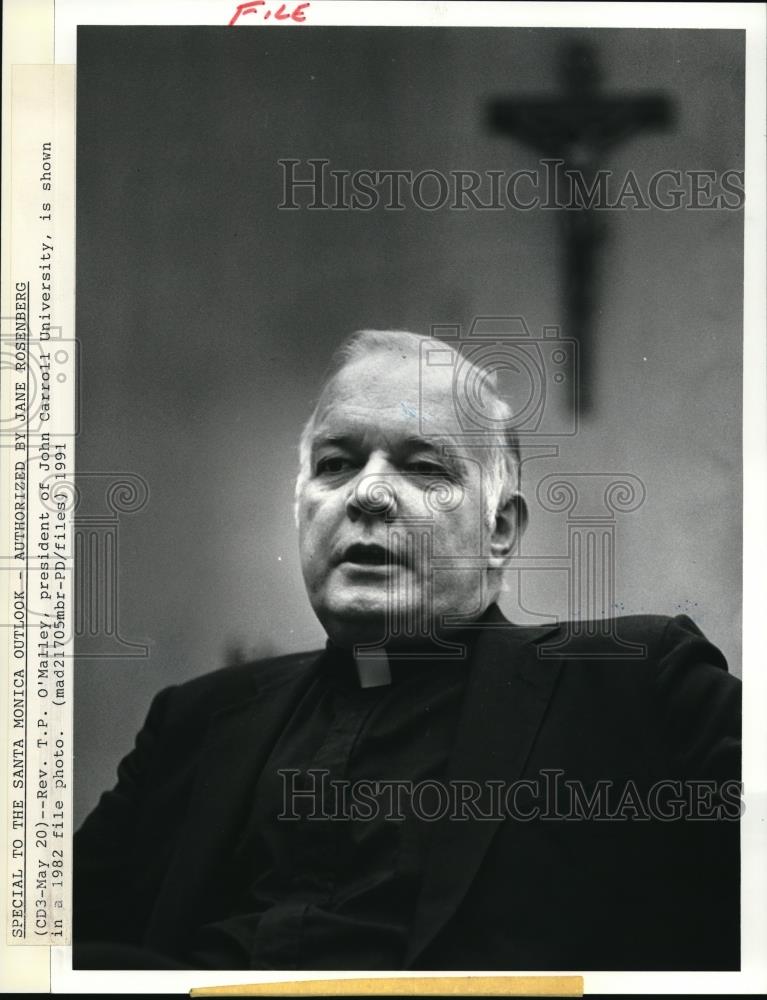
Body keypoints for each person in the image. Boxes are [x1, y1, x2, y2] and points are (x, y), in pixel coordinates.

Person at [73, 329, 741, 971]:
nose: (366, 493)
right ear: (301, 507)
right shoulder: (192, 723)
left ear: (499, 529)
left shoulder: (638, 685)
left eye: (423, 468)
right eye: (334, 464)